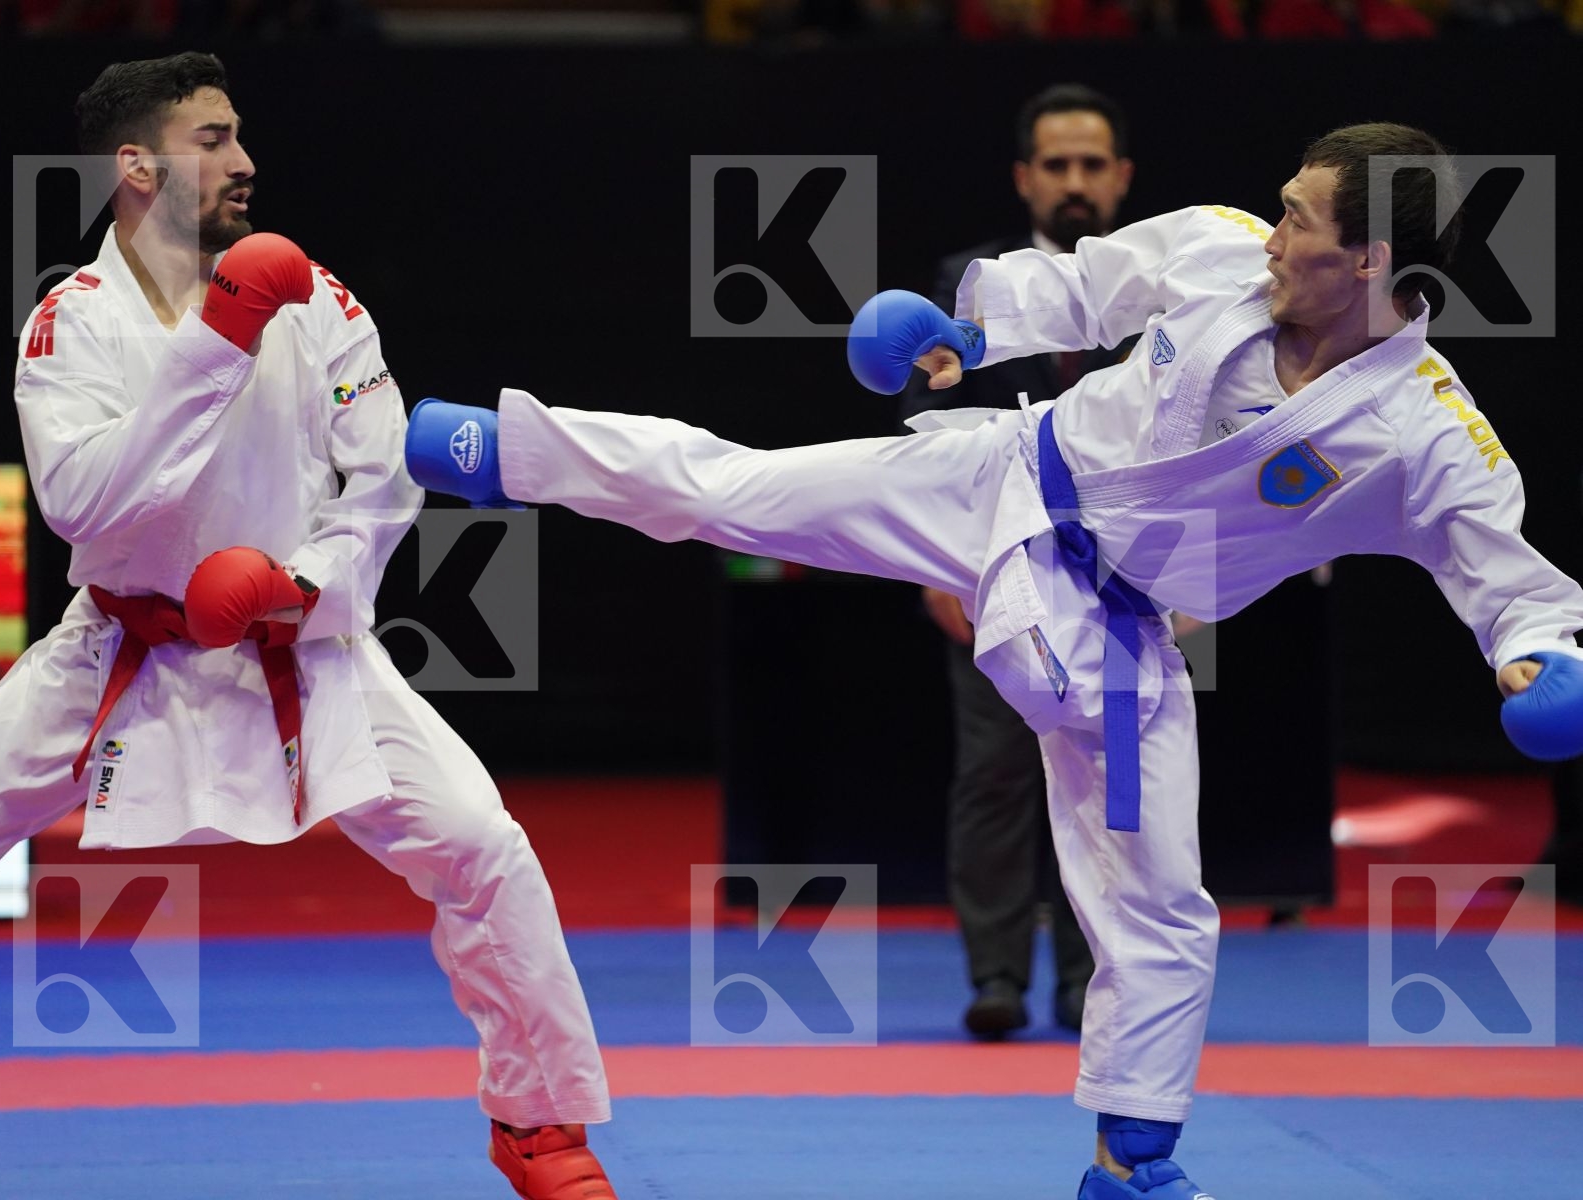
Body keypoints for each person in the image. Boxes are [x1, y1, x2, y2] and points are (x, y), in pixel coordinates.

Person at [405, 122, 1583, 1198]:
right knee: (736, 487)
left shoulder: (1424, 430)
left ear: (1368, 261)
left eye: (1299, 220)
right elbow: (1076, 286)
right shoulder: (1219, 250)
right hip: (1001, 481)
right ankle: (497, 450)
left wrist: (1534, 655)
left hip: (1115, 641)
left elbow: (1496, 567)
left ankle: (1130, 1156)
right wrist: (960, 333)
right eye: (1278, 207)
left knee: (1161, 898)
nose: (1271, 234)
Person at [0, 53, 617, 1200]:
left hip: (302, 645)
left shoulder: (316, 296)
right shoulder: (69, 320)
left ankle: (540, 1125)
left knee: (483, 848)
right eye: (214, 137)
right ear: (137, 166)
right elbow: (79, 502)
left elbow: (379, 482)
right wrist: (216, 344)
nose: (246, 161)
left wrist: (297, 581)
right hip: (121, 649)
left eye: (240, 136)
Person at [900, 82, 1137, 1038]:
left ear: (1121, 177)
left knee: (1115, 781)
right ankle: (996, 977)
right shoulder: (971, 285)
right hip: (997, 574)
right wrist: (934, 568)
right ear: (1025, 178)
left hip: (1129, 582)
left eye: (1092, 164)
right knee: (996, 775)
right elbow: (928, 440)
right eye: (1056, 165)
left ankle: (1094, 982)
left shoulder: (1165, 296)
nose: (1074, 182)